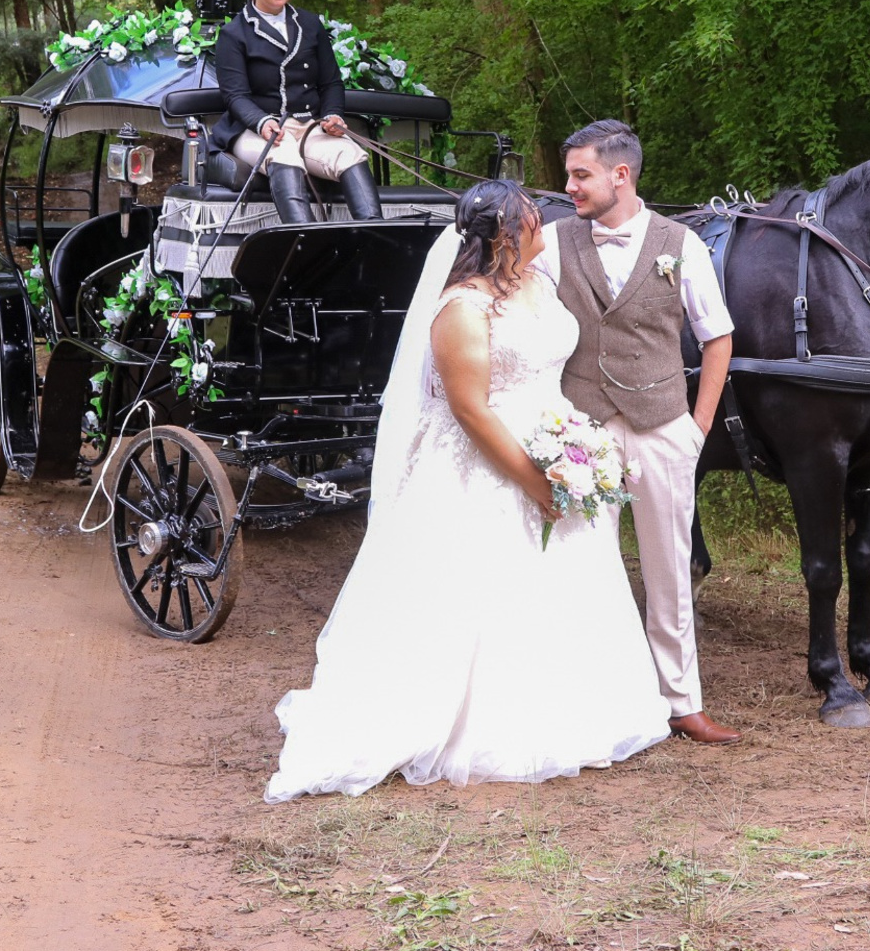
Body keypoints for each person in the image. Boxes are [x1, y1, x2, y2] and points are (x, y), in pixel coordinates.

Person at [265, 181, 670, 802]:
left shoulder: (538, 284)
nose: (546, 228)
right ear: (506, 236)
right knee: (475, 587)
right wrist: (537, 481)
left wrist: (574, 453)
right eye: (535, 221)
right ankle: (465, 724)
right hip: (481, 466)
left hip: (553, 444)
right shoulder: (463, 309)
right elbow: (472, 412)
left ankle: (568, 705)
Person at [536, 120, 742, 745]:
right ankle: (587, 697)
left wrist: (697, 428)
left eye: (580, 175)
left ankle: (683, 703)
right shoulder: (550, 243)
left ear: (620, 174)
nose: (569, 186)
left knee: (669, 569)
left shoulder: (682, 244)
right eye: (570, 174)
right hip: (581, 433)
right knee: (579, 567)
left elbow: (718, 336)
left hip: (661, 429)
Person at [210, 0, 383, 223]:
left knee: (349, 154)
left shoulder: (310, 24)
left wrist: (333, 115)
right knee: (285, 157)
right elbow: (235, 96)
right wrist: (262, 123)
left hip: (309, 127)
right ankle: (302, 244)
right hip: (257, 131)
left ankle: (373, 236)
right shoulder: (233, 34)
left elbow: (330, 82)